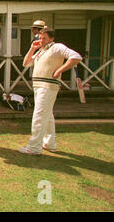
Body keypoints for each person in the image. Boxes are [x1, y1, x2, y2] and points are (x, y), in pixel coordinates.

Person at [19, 27, 82, 155]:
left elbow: (76, 57)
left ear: (52, 38)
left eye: (44, 38)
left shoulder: (57, 47)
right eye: (40, 38)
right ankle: (49, 144)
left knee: (39, 115)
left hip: (48, 86)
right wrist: (32, 48)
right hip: (38, 86)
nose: (41, 40)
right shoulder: (41, 50)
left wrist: (60, 70)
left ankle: (34, 147)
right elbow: (26, 63)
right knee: (47, 116)